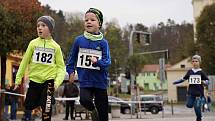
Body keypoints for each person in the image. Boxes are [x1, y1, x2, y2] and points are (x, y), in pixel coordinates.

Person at [14, 15, 66, 121]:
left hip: (49, 81)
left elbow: (61, 68)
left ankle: (47, 100)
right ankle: (47, 100)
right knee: (28, 105)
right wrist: (18, 79)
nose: (39, 28)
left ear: (50, 29)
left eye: (43, 25)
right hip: (34, 80)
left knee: (46, 109)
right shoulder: (33, 44)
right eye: (38, 26)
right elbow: (24, 62)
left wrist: (56, 83)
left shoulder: (56, 47)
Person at [66, 8, 111, 121]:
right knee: (84, 100)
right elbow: (71, 59)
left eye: (92, 20)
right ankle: (92, 110)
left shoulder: (103, 43)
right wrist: (71, 71)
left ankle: (99, 115)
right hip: (85, 80)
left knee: (103, 114)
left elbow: (107, 62)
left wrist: (97, 61)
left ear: (99, 24)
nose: (88, 22)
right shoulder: (79, 40)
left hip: (100, 81)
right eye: (86, 20)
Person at [173, 55, 209, 121]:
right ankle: (197, 107)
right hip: (191, 93)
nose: (195, 62)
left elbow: (207, 81)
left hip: (199, 94)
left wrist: (203, 82)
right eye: (193, 61)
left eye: (196, 61)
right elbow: (184, 79)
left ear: (199, 62)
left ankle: (199, 117)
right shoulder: (190, 71)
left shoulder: (201, 72)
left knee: (197, 108)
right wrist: (177, 82)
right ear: (192, 63)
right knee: (189, 105)